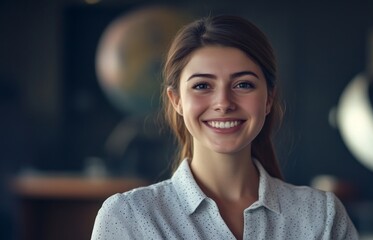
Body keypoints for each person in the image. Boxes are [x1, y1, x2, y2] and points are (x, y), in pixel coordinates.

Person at [91, 15, 358, 240]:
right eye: (202, 86)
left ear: (268, 99)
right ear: (177, 101)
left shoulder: (322, 216)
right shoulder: (128, 217)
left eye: (243, 84)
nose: (223, 103)